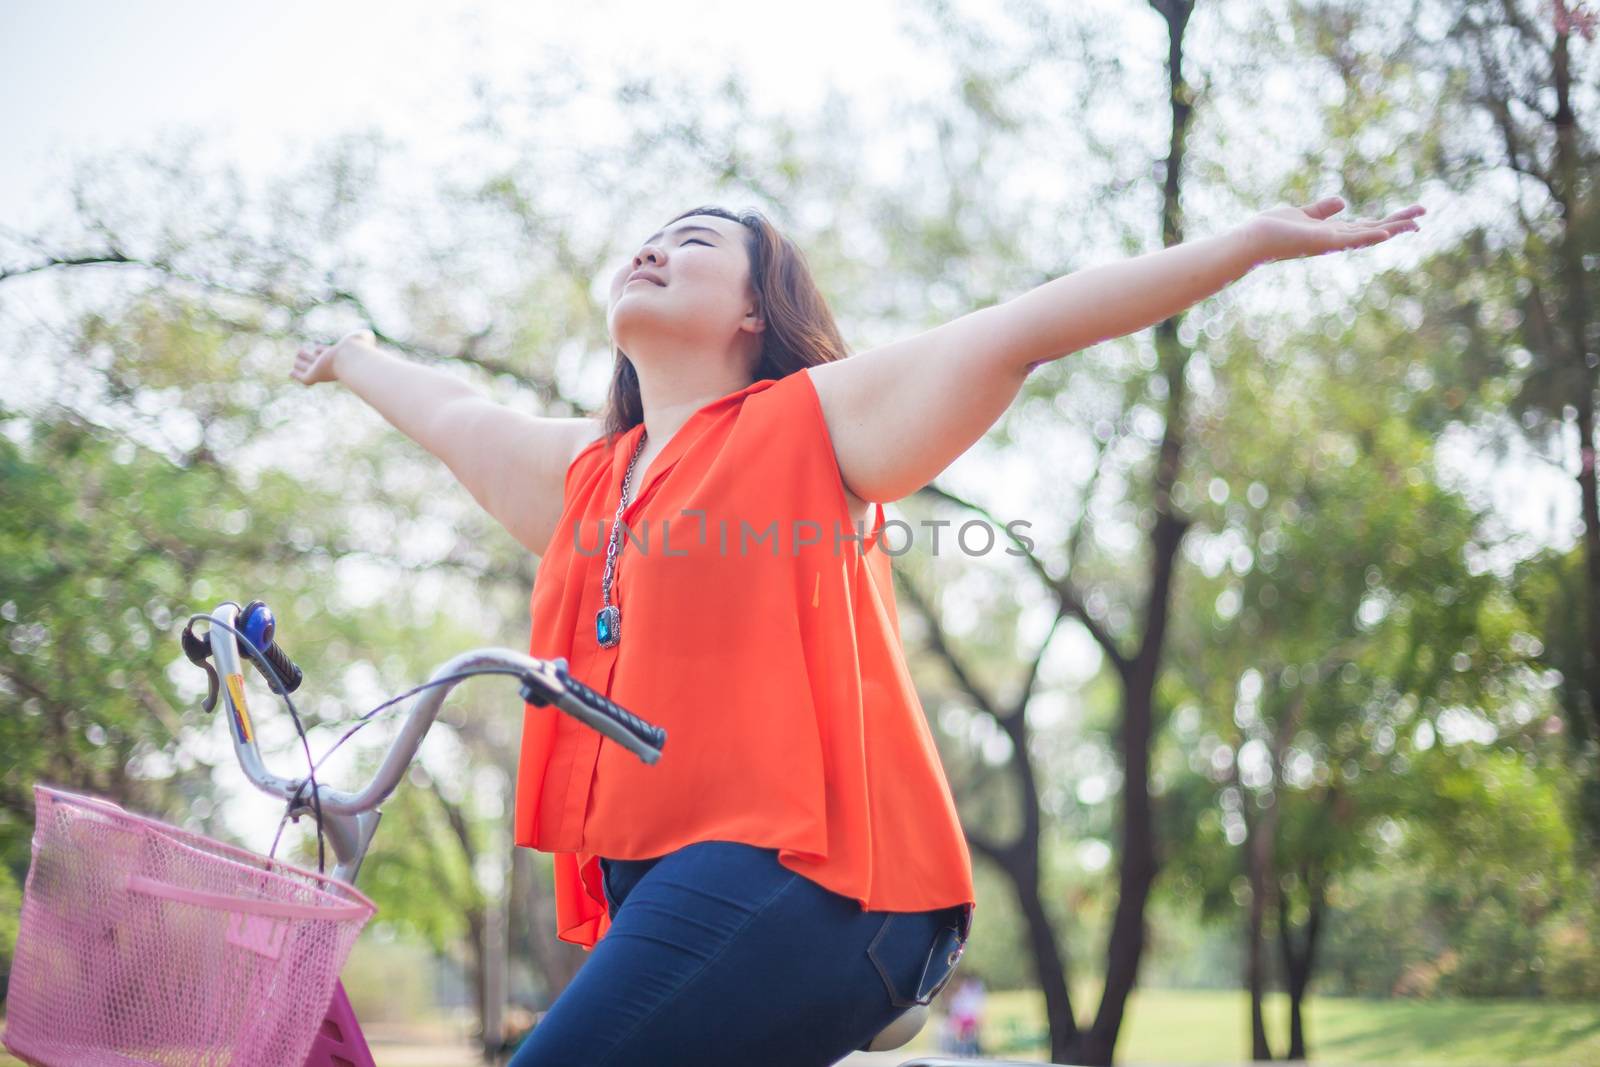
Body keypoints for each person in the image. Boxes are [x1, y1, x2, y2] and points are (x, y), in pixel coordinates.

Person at [290, 196, 1422, 1066]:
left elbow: (1025, 324)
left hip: (820, 875)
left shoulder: (810, 423)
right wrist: (350, 356)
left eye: (689, 240)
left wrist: (1242, 245)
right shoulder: (587, 478)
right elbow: (453, 415)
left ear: (752, 310)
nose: (651, 248)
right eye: (645, 237)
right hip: (661, 885)